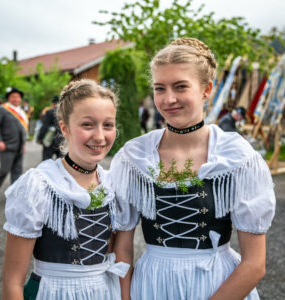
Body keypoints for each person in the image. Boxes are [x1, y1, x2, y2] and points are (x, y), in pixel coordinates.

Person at [110, 38, 275, 300]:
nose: (169, 99)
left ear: (206, 89)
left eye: (180, 86)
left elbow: (254, 264)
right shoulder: (134, 157)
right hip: (153, 285)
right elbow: (122, 248)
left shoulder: (237, 158)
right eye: (159, 88)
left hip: (217, 284)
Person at [1, 79, 129, 300]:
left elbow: (114, 254)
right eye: (88, 124)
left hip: (103, 292)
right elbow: (12, 281)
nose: (99, 136)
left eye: (108, 125)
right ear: (65, 128)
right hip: (52, 292)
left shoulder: (113, 184)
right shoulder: (40, 185)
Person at [0, 87, 28, 204]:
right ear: (9, 98)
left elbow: (23, 130)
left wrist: (24, 144)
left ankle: (14, 195)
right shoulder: (2, 109)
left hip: (19, 147)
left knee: (17, 173)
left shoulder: (21, 111)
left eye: (18, 97)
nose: (16, 99)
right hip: (6, 146)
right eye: (13, 96)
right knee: (4, 170)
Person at [38, 95, 62, 160]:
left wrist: (40, 138)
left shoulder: (50, 112)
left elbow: (45, 126)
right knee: (61, 162)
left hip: (50, 140)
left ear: (53, 104)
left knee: (46, 161)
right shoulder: (65, 113)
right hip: (62, 140)